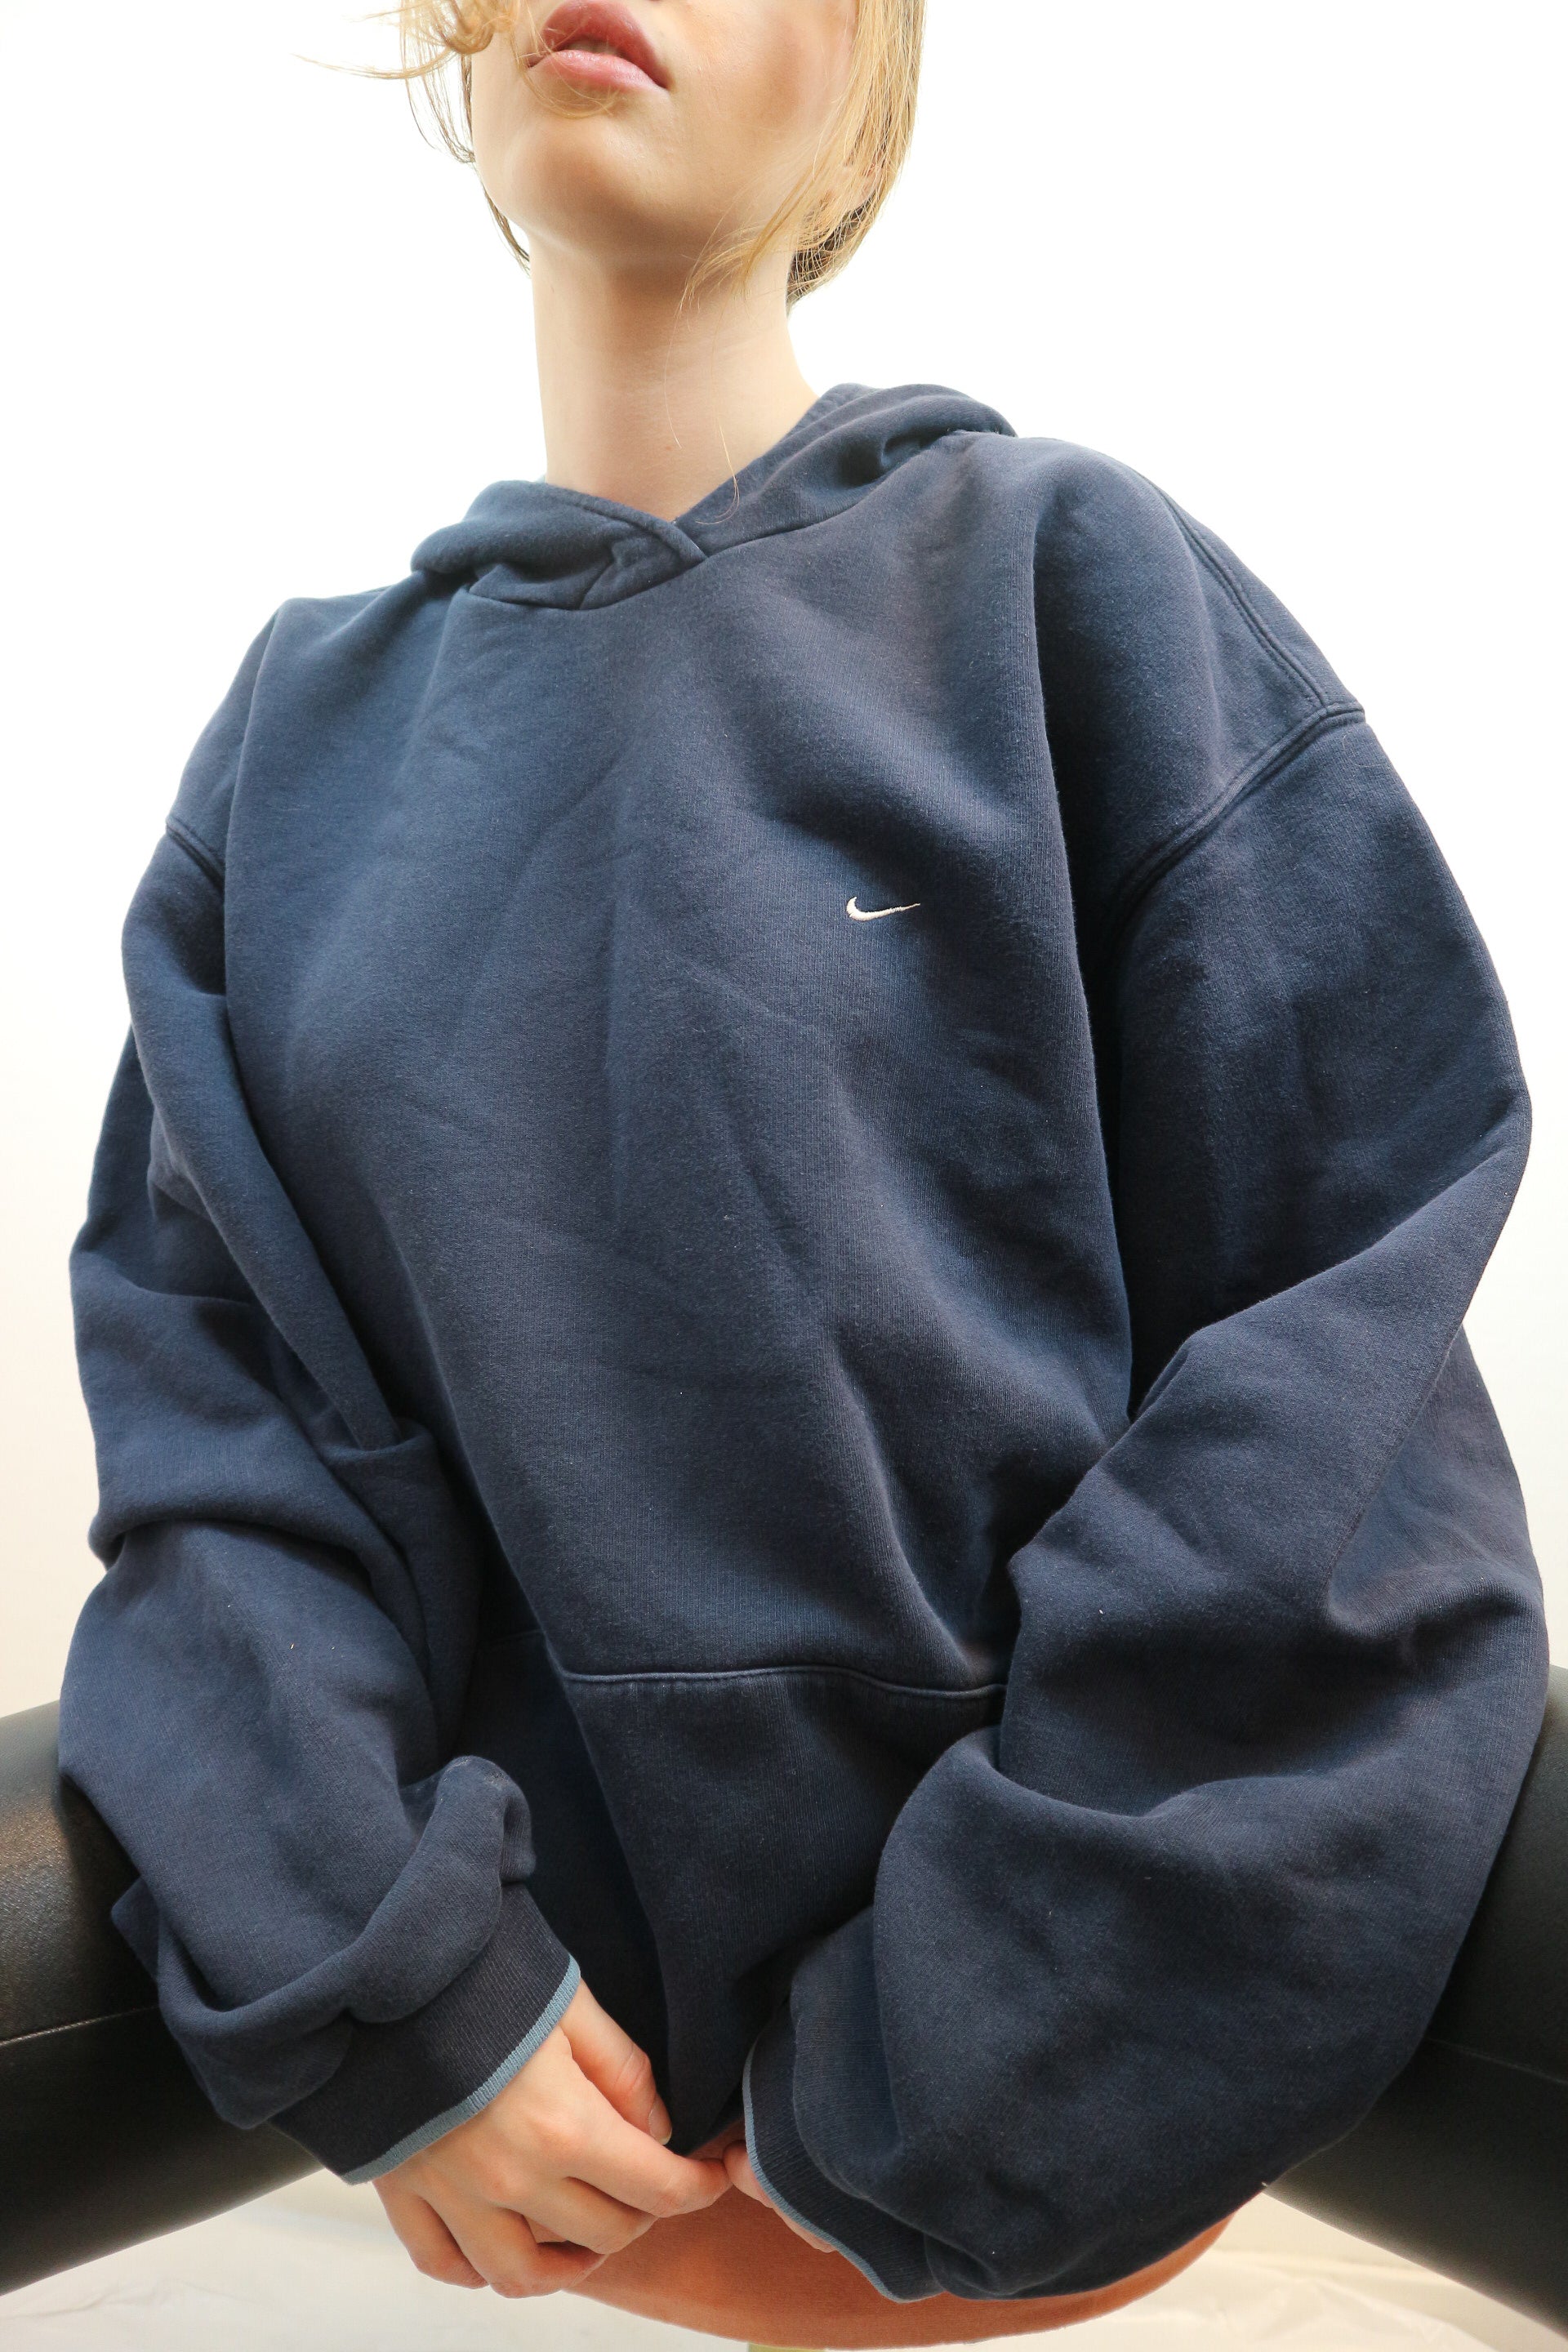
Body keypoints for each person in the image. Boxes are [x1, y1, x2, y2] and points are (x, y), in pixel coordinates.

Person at [56, 0, 1548, 2317]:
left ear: (868, 92)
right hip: (534, 2154)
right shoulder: (295, 752)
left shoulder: (1069, 586)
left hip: (1053, 2114)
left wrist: (962, 2063)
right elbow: (221, 1455)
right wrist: (397, 1993)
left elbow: (1335, 1384)